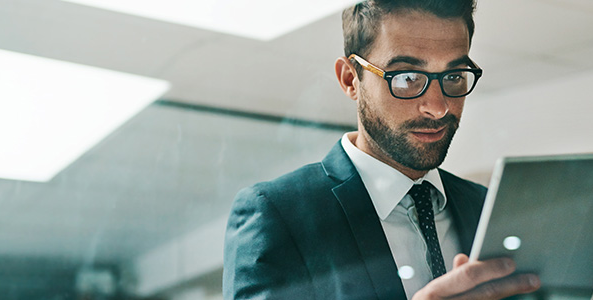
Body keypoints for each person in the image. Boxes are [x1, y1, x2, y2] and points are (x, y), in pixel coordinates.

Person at [223, 1, 540, 299]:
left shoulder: (488, 208)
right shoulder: (278, 214)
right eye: (406, 78)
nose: (438, 107)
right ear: (351, 79)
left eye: (454, 76)